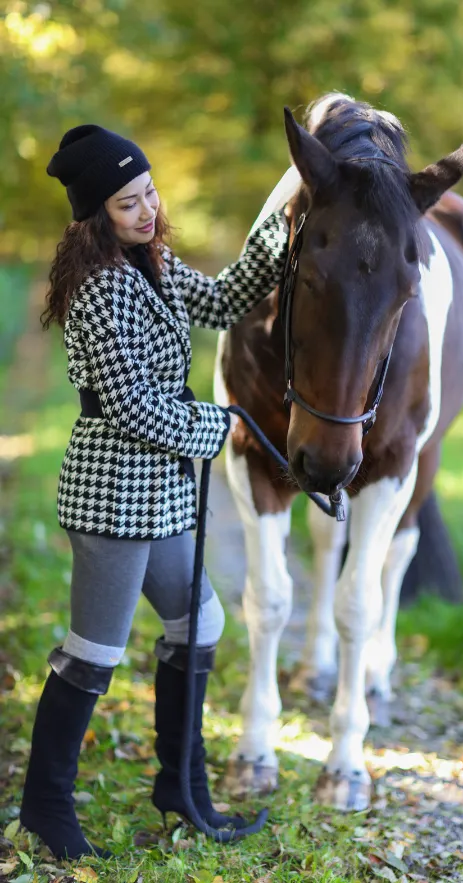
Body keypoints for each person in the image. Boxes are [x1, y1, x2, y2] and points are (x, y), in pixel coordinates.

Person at [19, 124, 289, 860]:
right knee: (92, 654)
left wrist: (285, 213)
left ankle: (180, 784)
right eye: (127, 202)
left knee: (199, 626)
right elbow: (132, 403)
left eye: (148, 193)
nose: (146, 209)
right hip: (112, 497)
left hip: (161, 496)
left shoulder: (156, 264)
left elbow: (228, 297)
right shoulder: (99, 288)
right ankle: (44, 805)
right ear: (94, 215)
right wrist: (213, 425)